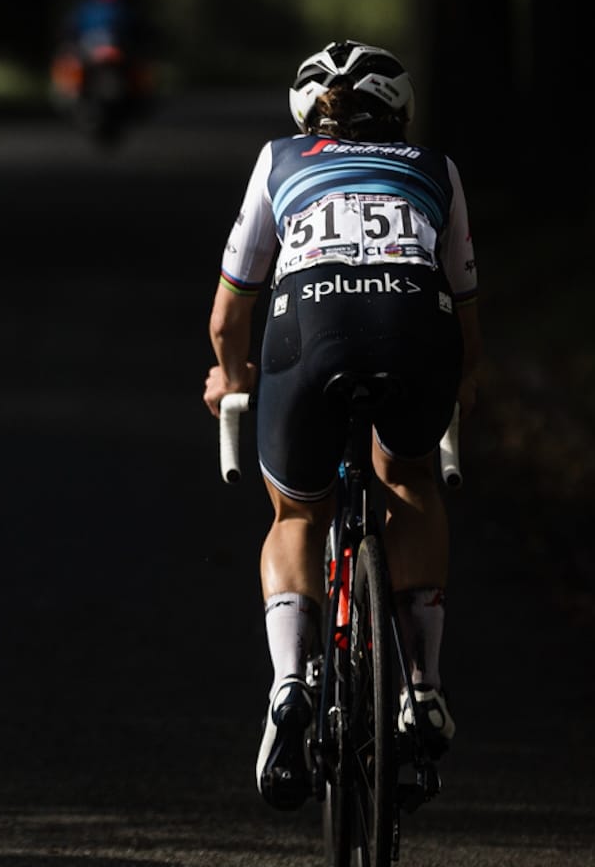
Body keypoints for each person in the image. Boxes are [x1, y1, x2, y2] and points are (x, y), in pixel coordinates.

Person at [201, 39, 481, 811]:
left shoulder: (278, 161)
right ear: (401, 113)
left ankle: (290, 685)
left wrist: (234, 377)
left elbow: (232, 311)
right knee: (410, 479)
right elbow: (470, 329)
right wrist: (450, 399)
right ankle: (421, 686)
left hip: (306, 324)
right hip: (413, 322)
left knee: (297, 513)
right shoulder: (436, 169)